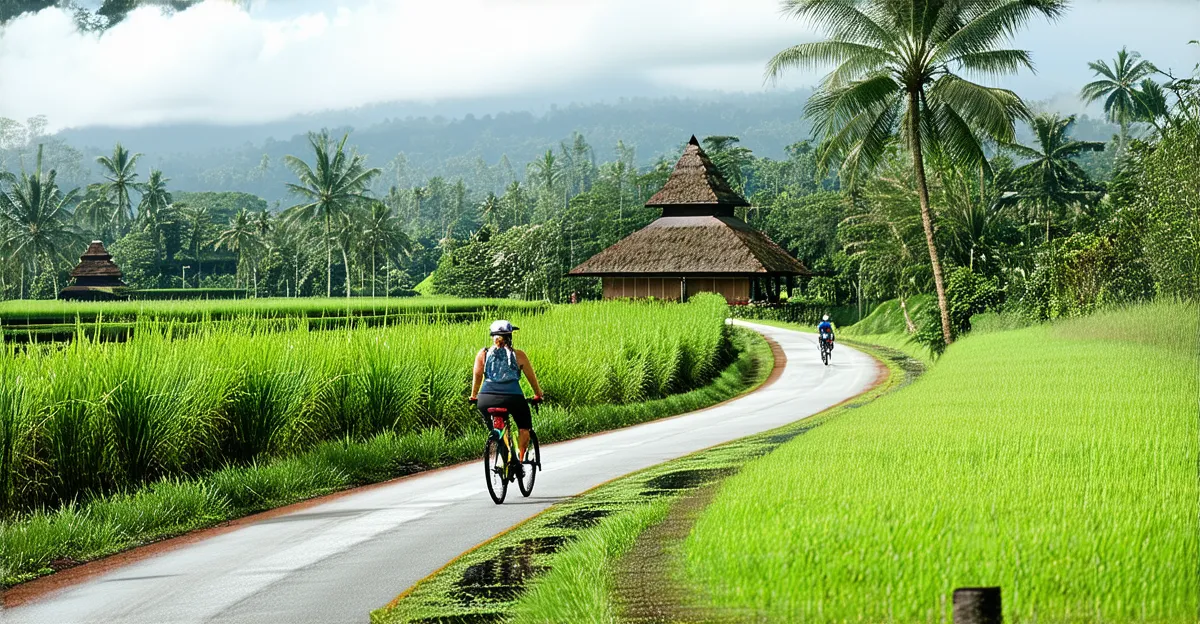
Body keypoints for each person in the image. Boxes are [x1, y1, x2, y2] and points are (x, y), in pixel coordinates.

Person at [470, 320, 543, 464]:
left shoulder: (483, 354)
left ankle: (501, 448)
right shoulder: (519, 355)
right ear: (510, 336)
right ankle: (520, 461)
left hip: (486, 399)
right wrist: (538, 394)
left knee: (497, 429)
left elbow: (477, 377)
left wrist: (473, 396)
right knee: (524, 427)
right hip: (513, 398)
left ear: (493, 337)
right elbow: (532, 380)